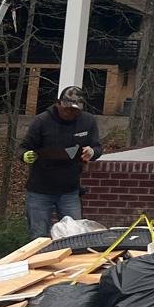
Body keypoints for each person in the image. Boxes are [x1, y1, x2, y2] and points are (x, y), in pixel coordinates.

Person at [19, 85, 102, 239]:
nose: (69, 113)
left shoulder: (88, 121)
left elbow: (97, 148)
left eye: (75, 111)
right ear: (58, 104)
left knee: (75, 234)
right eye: (66, 109)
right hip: (40, 190)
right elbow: (23, 147)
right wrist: (25, 155)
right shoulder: (42, 121)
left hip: (69, 190)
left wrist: (92, 152)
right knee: (39, 236)